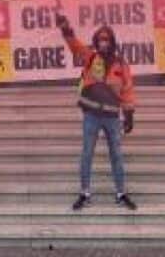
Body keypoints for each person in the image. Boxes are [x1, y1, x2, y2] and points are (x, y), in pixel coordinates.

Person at [56, 14, 137, 212]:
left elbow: (127, 89)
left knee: (117, 155)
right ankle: (84, 193)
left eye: (107, 38)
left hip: (112, 117)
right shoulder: (90, 57)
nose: (104, 41)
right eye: (100, 38)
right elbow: (74, 45)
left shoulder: (121, 63)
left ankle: (121, 193)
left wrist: (129, 115)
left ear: (112, 41)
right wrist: (66, 29)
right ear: (95, 41)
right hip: (91, 115)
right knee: (87, 154)